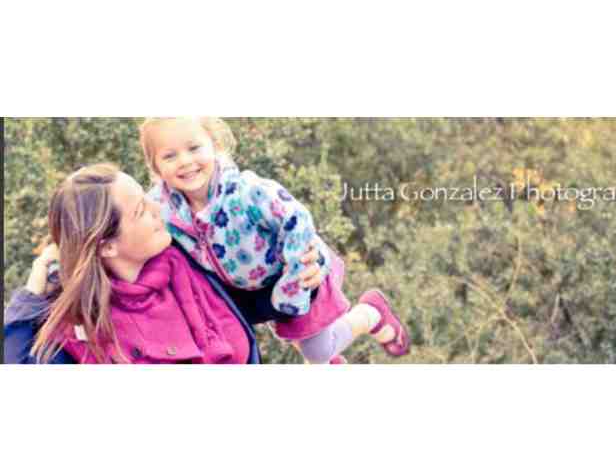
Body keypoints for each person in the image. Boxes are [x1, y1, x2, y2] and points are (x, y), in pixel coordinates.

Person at [139, 117, 410, 363]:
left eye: (194, 148)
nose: (185, 161)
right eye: (170, 156)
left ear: (214, 145)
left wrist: (294, 284)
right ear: (156, 167)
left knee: (318, 351)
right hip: (245, 290)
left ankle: (370, 312)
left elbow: (296, 219)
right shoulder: (162, 208)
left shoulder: (246, 192)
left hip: (294, 276)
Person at [3, 163, 324, 364]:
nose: (157, 208)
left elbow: (249, 305)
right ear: (107, 246)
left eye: (146, 197)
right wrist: (30, 294)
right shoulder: (77, 332)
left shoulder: (184, 258)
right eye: (140, 211)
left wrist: (302, 277)